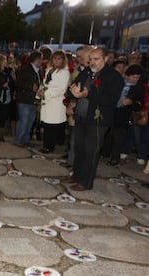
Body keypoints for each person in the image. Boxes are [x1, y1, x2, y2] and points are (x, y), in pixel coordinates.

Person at [65, 47, 123, 191]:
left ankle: (85, 182)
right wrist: (72, 93)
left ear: (106, 59)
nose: (92, 62)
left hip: (98, 120)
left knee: (91, 151)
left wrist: (87, 94)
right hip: (81, 116)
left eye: (96, 59)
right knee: (79, 148)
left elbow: (109, 100)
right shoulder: (87, 72)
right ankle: (76, 175)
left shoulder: (113, 76)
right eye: (90, 59)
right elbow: (75, 86)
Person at [107, 64, 145, 166]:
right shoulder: (118, 82)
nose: (135, 79)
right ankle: (104, 153)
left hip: (123, 115)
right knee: (107, 134)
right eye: (133, 77)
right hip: (110, 111)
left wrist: (131, 102)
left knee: (118, 137)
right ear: (127, 75)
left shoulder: (139, 88)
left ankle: (115, 157)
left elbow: (139, 104)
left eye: (138, 77)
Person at [37, 50, 70, 153]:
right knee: (47, 125)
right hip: (47, 102)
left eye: (59, 59)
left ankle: (49, 147)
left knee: (51, 126)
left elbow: (61, 89)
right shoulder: (49, 70)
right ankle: (47, 145)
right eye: (55, 58)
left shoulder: (64, 72)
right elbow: (44, 83)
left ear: (63, 60)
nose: (56, 61)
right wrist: (40, 92)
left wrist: (46, 93)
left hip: (55, 102)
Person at [14, 50, 42, 147]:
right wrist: (30, 86)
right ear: (37, 60)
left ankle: (25, 140)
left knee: (30, 121)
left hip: (32, 100)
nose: (41, 62)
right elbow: (18, 83)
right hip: (24, 100)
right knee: (23, 121)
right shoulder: (25, 69)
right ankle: (18, 140)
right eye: (40, 60)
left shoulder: (38, 71)